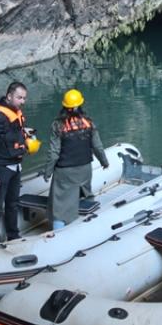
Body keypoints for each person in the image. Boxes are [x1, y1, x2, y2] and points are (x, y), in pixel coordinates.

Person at [42, 89, 109, 230]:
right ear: (80, 105)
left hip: (64, 172)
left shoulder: (57, 125)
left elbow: (54, 153)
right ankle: (86, 229)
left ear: (64, 106)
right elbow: (97, 146)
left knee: (59, 208)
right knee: (86, 197)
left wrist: (47, 172)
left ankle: (58, 236)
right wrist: (104, 162)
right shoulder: (88, 122)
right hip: (85, 169)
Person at [0, 81, 32, 244]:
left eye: (24, 98)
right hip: (1, 168)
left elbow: (10, 134)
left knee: (12, 203)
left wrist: (25, 134)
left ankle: (13, 235)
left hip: (15, 165)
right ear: (9, 96)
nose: (22, 101)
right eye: (19, 98)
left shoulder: (14, 112)